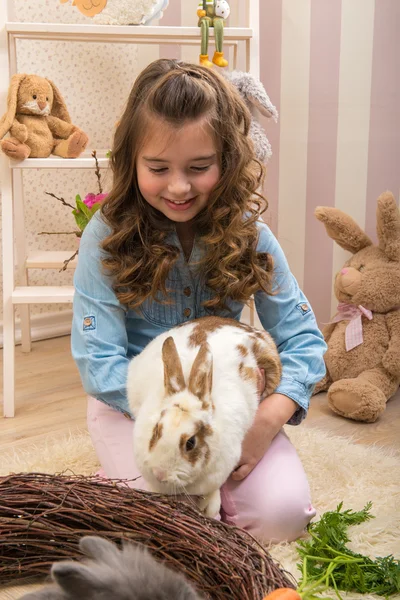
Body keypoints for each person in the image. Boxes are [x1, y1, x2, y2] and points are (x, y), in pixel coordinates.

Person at [71, 59, 327, 544]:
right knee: (173, 530)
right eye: (158, 168)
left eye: (199, 167)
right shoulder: (105, 237)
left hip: (227, 405)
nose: (179, 186)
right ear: (131, 160)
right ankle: (118, 479)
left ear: (227, 160)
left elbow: (304, 341)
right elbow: (98, 362)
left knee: (284, 518)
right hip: (133, 406)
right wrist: (179, 430)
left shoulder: (252, 235)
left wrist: (265, 420)